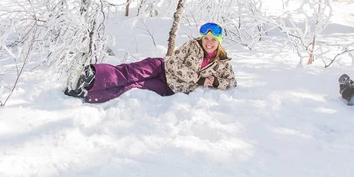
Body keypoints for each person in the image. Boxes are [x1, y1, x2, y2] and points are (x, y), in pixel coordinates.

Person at [64, 22, 237, 103]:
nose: (208, 42)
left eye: (213, 39)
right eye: (206, 38)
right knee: (128, 73)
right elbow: (174, 63)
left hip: (171, 88)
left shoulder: (223, 62)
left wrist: (215, 81)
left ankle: (89, 93)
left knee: (132, 86)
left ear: (219, 41)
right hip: (161, 67)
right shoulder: (192, 45)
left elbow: (231, 82)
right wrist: (197, 79)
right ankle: (91, 75)